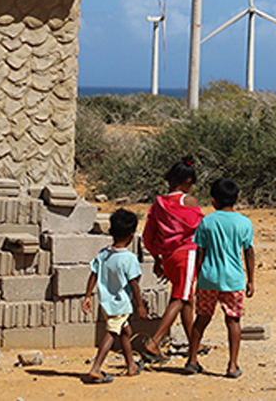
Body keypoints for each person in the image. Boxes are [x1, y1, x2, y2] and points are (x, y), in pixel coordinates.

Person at [186, 178, 254, 379]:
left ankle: (192, 360)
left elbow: (200, 251)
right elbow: (248, 251)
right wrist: (251, 280)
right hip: (233, 280)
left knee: (202, 319)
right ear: (237, 197)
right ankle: (232, 365)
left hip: (208, 278)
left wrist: (199, 276)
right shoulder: (244, 222)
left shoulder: (207, 222)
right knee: (233, 321)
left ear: (213, 200)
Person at [140, 158, 203, 363]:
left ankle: (194, 343)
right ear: (187, 181)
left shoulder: (158, 204)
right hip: (186, 254)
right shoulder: (189, 201)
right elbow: (200, 228)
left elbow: (148, 236)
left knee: (186, 298)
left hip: (167, 256)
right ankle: (154, 342)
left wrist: (156, 257)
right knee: (179, 298)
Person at [82, 209, 148, 384]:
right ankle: (96, 368)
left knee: (125, 331)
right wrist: (140, 305)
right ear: (132, 234)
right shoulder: (129, 258)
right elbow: (134, 284)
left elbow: (94, 274)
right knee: (111, 333)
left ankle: (131, 365)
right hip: (120, 304)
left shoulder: (103, 254)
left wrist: (87, 296)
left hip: (106, 303)